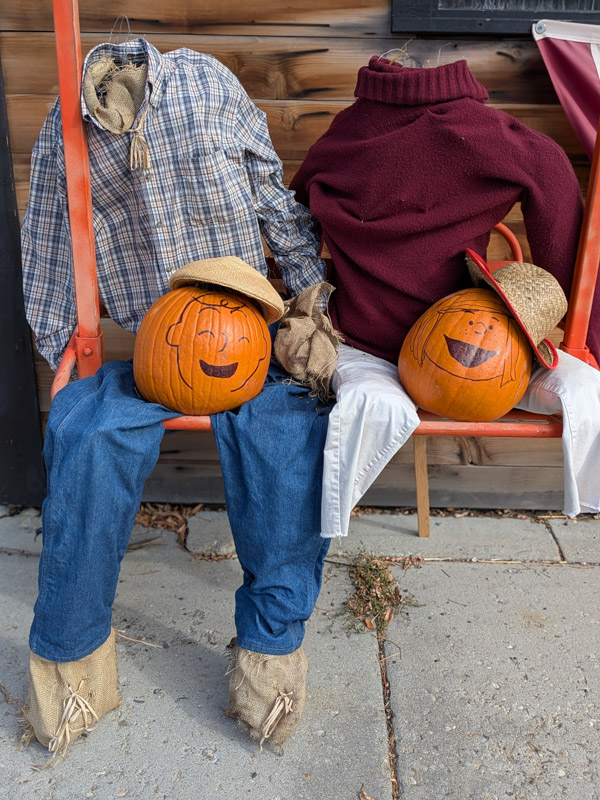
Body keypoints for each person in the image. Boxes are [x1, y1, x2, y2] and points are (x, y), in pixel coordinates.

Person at [20, 38, 333, 760]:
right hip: (158, 342)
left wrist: (309, 292)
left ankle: (268, 656)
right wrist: (60, 342)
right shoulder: (67, 122)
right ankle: (71, 666)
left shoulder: (207, 86)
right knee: (86, 435)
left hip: (248, 332)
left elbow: (268, 193)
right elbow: (45, 240)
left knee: (286, 445)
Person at [289, 53, 600, 540]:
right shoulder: (494, 136)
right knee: (588, 390)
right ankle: (586, 506)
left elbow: (296, 223)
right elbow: (553, 177)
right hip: (472, 353)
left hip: (363, 341)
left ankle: (316, 533)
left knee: (368, 410)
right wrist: (583, 331)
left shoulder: (341, 138)